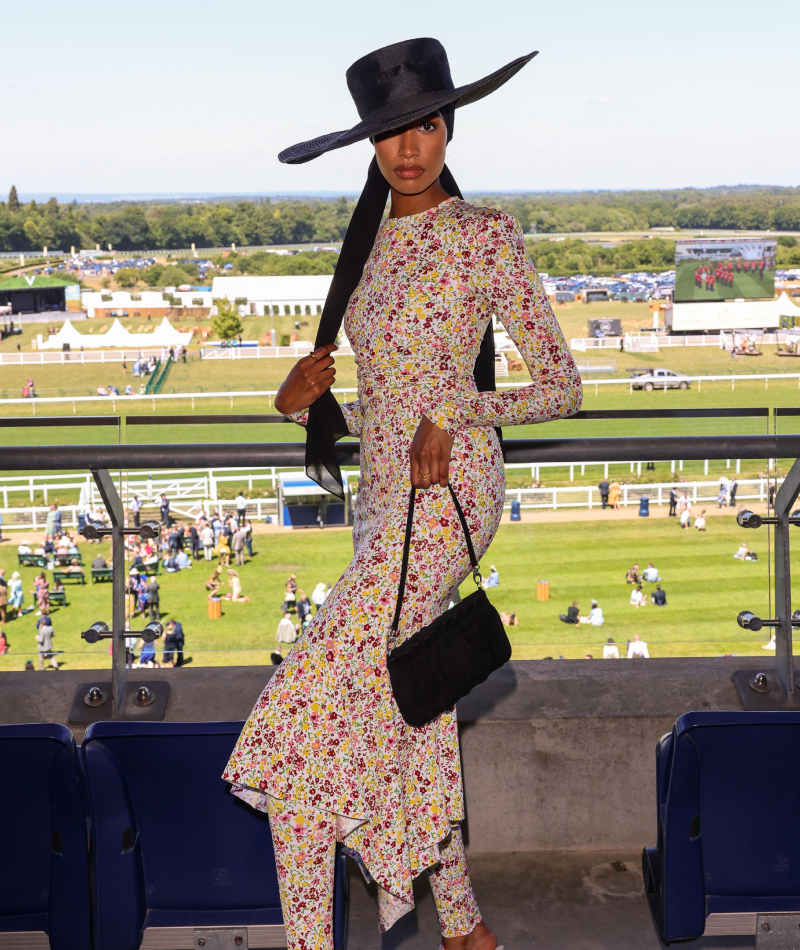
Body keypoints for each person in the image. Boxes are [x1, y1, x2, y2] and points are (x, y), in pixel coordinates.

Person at [222, 37, 580, 950]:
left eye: (424, 123)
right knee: (412, 703)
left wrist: (456, 409)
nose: (409, 147)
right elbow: (376, 400)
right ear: (369, 147)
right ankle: (461, 927)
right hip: (380, 507)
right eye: (388, 132)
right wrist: (295, 402)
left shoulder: (485, 233)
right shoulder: (367, 250)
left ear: (450, 124)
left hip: (452, 496)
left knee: (297, 735)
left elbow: (563, 387)